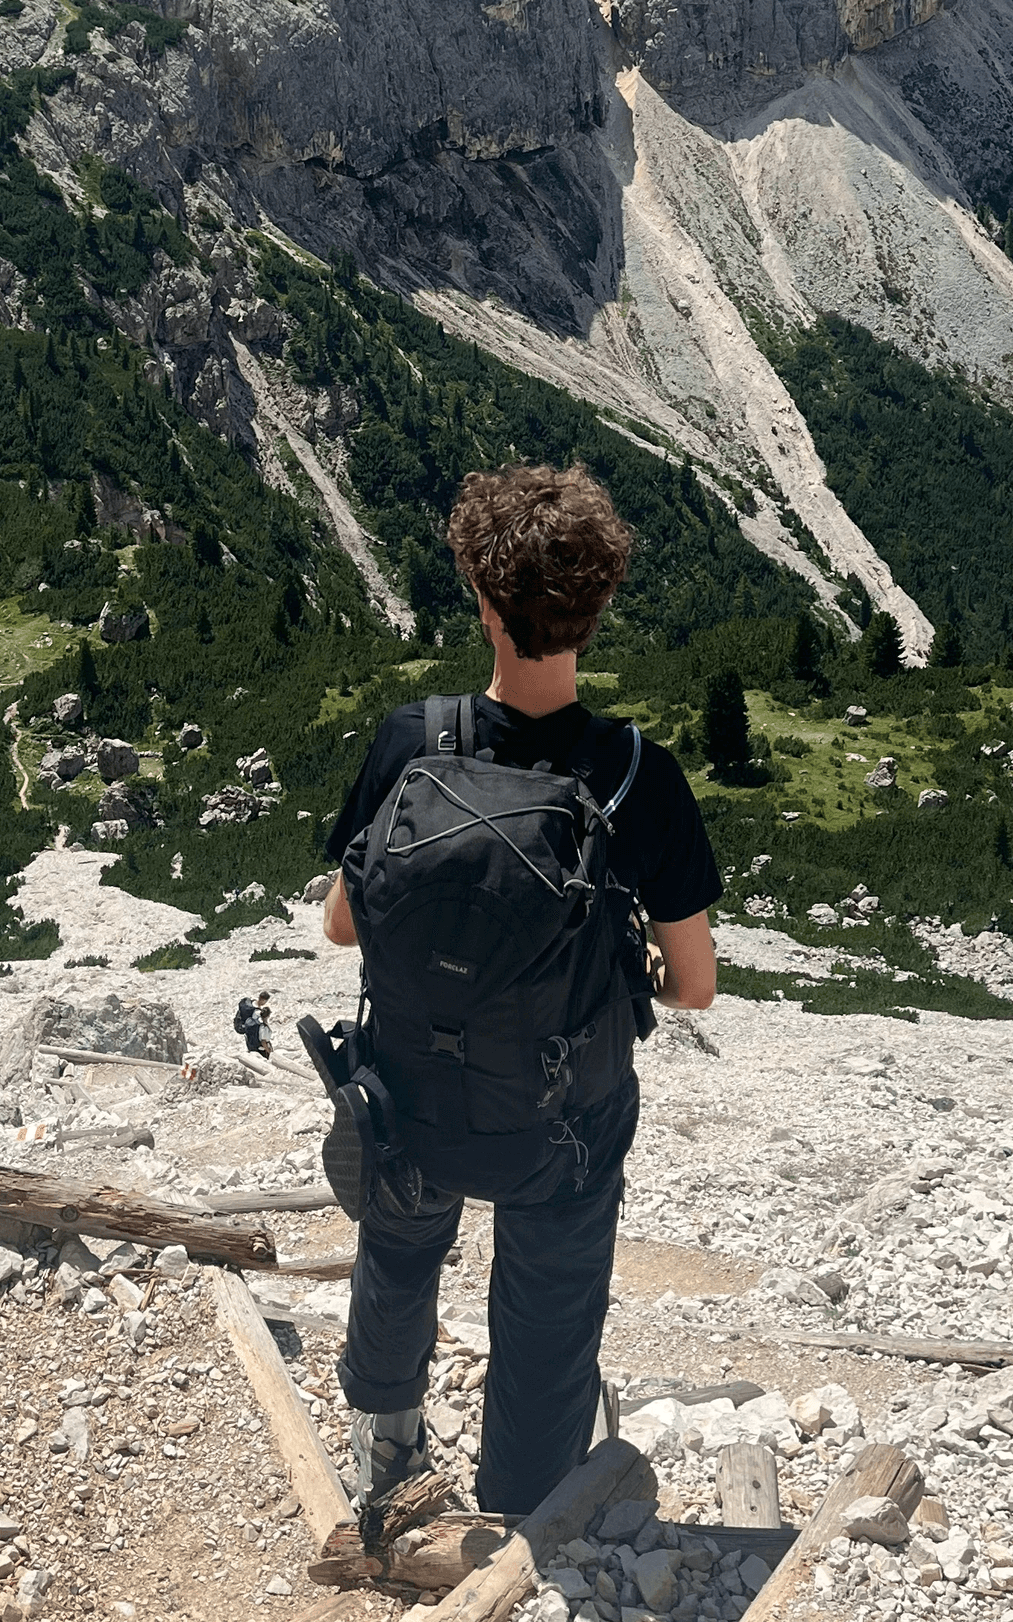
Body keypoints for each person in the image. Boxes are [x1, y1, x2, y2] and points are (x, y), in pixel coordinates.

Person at [320, 462, 720, 1520]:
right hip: (559, 1122)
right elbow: (694, 984)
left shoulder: (413, 742)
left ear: (485, 605)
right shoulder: (642, 776)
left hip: (409, 1094)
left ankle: (383, 1448)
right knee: (546, 1297)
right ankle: (521, 1496)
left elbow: (339, 919)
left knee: (399, 1247)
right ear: (594, 610)